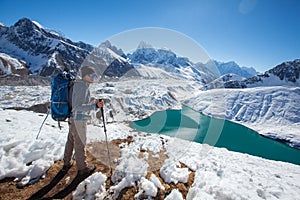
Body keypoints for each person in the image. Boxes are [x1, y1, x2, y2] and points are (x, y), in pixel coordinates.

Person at [62, 66, 104, 176]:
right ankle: (83, 168)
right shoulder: (82, 87)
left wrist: (91, 101)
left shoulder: (79, 85)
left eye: (94, 75)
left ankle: (66, 163)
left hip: (73, 118)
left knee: (71, 141)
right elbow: (78, 106)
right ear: (84, 75)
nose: (93, 78)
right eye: (91, 75)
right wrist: (95, 106)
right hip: (79, 119)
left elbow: (78, 102)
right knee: (80, 143)